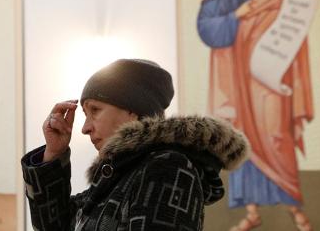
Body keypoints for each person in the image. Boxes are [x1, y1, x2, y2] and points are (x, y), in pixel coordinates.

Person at [21, 59, 249, 230]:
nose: (85, 127)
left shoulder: (167, 168)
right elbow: (54, 227)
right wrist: (54, 153)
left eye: (95, 111)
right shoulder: (117, 178)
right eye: (85, 114)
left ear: (132, 110)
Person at [196, 0, 314, 231]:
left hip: (272, 72)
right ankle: (252, 213)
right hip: (238, 74)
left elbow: (293, 22)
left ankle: (295, 210)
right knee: (243, 135)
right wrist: (236, 15)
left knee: (276, 134)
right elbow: (206, 23)